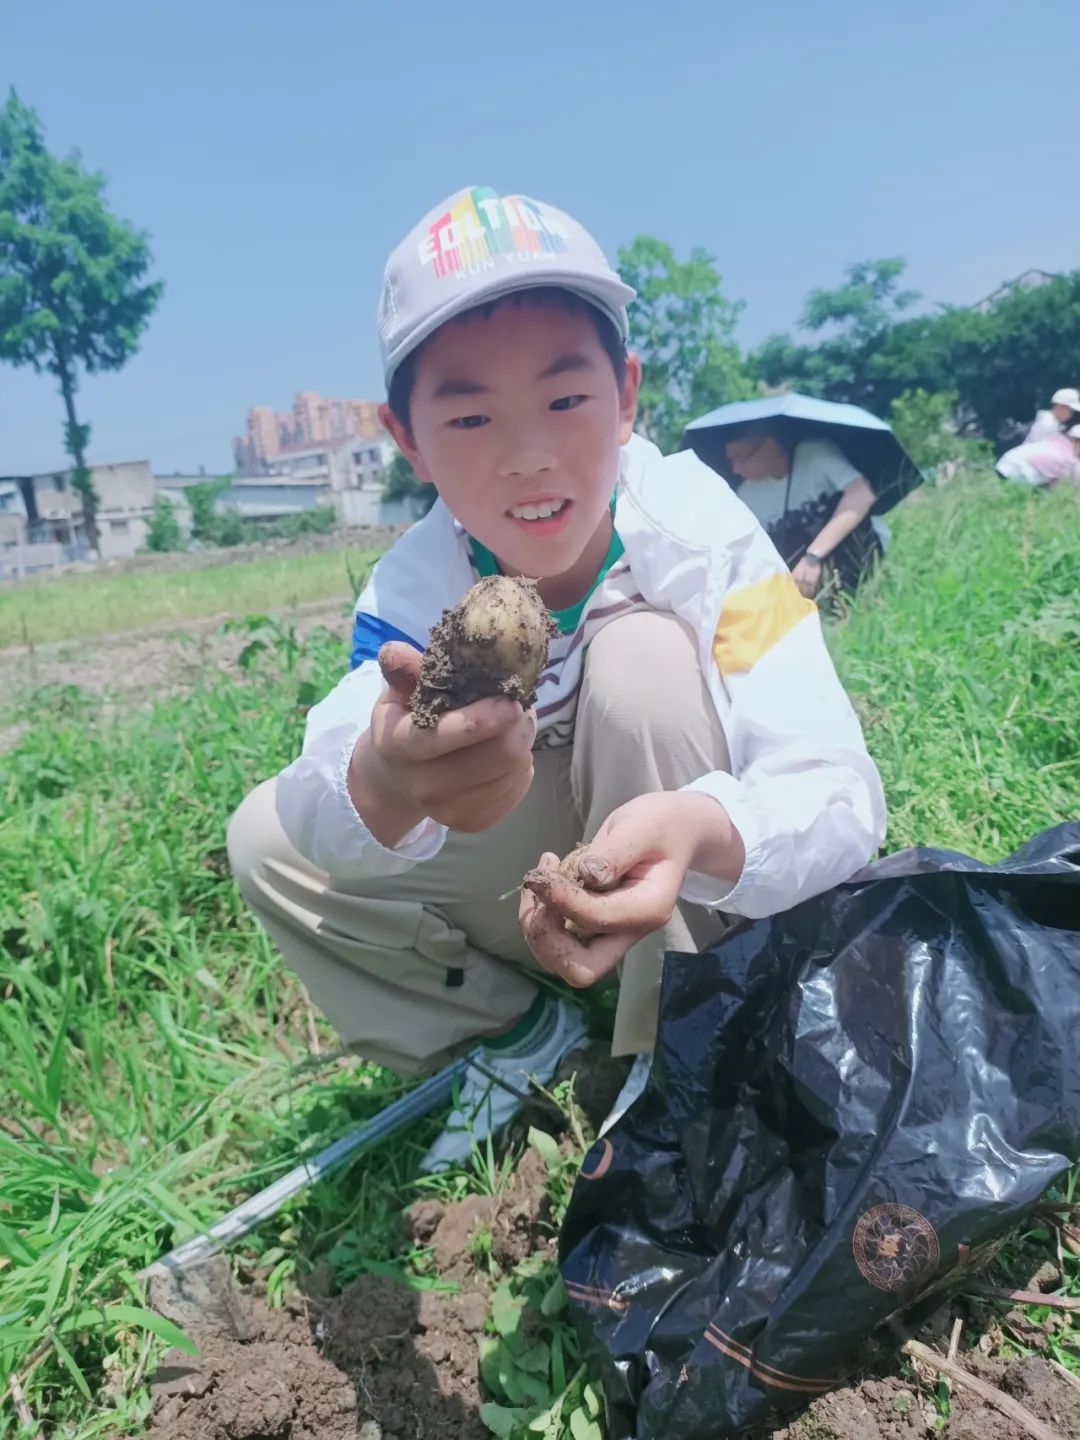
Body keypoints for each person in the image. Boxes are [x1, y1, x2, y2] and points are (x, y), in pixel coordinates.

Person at [226, 187, 887, 1172]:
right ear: (406, 438)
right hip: (528, 843)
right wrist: (386, 780)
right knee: (266, 838)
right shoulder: (414, 588)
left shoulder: (706, 536)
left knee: (648, 663)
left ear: (626, 396)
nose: (528, 457)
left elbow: (837, 785)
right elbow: (333, 771)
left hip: (665, 818)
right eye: (471, 416)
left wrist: (700, 830)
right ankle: (507, 1031)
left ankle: (677, 1040)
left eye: (566, 399)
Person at [723, 427, 883, 598]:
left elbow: (861, 495)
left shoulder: (815, 454)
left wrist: (813, 557)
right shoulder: (746, 495)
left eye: (740, 458)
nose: (735, 469)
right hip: (795, 573)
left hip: (855, 551)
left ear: (769, 447)